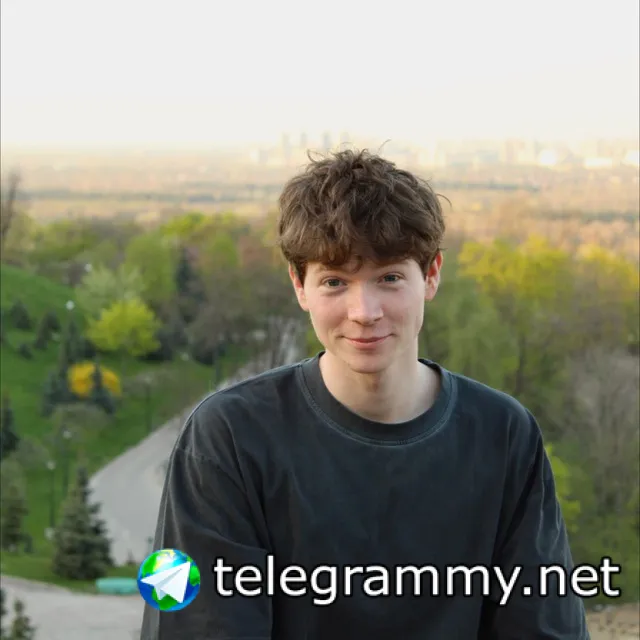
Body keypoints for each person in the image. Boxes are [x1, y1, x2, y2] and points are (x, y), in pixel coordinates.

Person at [140, 149, 590, 639]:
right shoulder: (230, 438)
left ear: (431, 275)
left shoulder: (503, 434)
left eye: (389, 278)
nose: (364, 311)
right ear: (300, 286)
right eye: (335, 282)